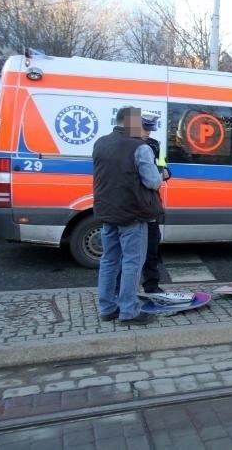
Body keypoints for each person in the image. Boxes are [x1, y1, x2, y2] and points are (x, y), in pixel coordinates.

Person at [93, 106, 162, 325]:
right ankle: (128, 311)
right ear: (132, 122)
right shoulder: (139, 147)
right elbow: (153, 181)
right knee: (132, 262)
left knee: (109, 261)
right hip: (132, 213)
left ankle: (106, 308)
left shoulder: (100, 143)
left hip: (107, 211)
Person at [139, 112, 172, 293]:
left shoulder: (153, 145)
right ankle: (124, 291)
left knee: (152, 250)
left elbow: (163, 168)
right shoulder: (132, 147)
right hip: (139, 204)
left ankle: (152, 286)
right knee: (131, 254)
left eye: (150, 129)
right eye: (145, 128)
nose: (148, 133)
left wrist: (165, 172)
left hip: (151, 203)